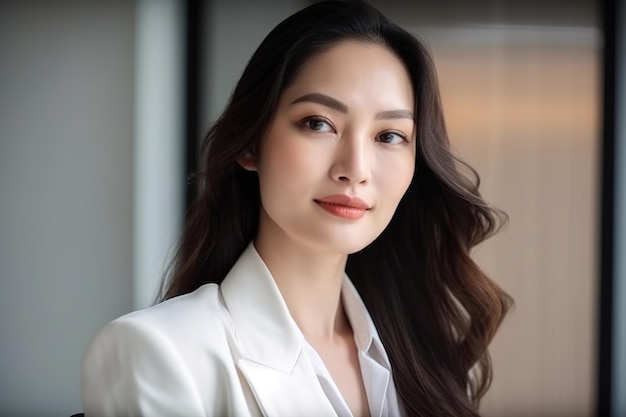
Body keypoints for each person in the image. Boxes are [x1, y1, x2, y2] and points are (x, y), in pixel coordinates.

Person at [81, 1, 512, 416]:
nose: (355, 170)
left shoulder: (440, 364)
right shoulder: (161, 353)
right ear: (251, 145)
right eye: (318, 123)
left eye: (390, 136)